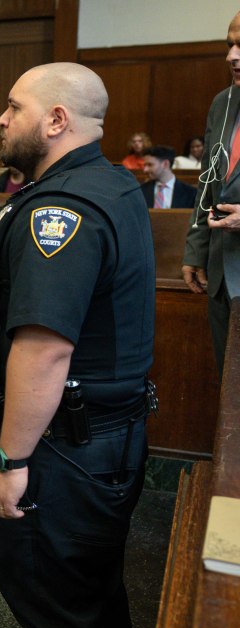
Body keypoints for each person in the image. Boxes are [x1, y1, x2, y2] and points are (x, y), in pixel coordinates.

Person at [0, 62, 155, 628]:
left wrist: (9, 462)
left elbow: (45, 348)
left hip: (63, 450)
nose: (0, 119)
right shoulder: (113, 185)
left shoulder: (63, 210)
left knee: (58, 604)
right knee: (88, 596)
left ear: (56, 119)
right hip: (103, 437)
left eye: (14, 107)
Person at [183, 9, 240, 376]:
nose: (232, 56)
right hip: (222, 276)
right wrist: (195, 249)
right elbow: (208, 181)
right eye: (230, 44)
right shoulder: (223, 102)